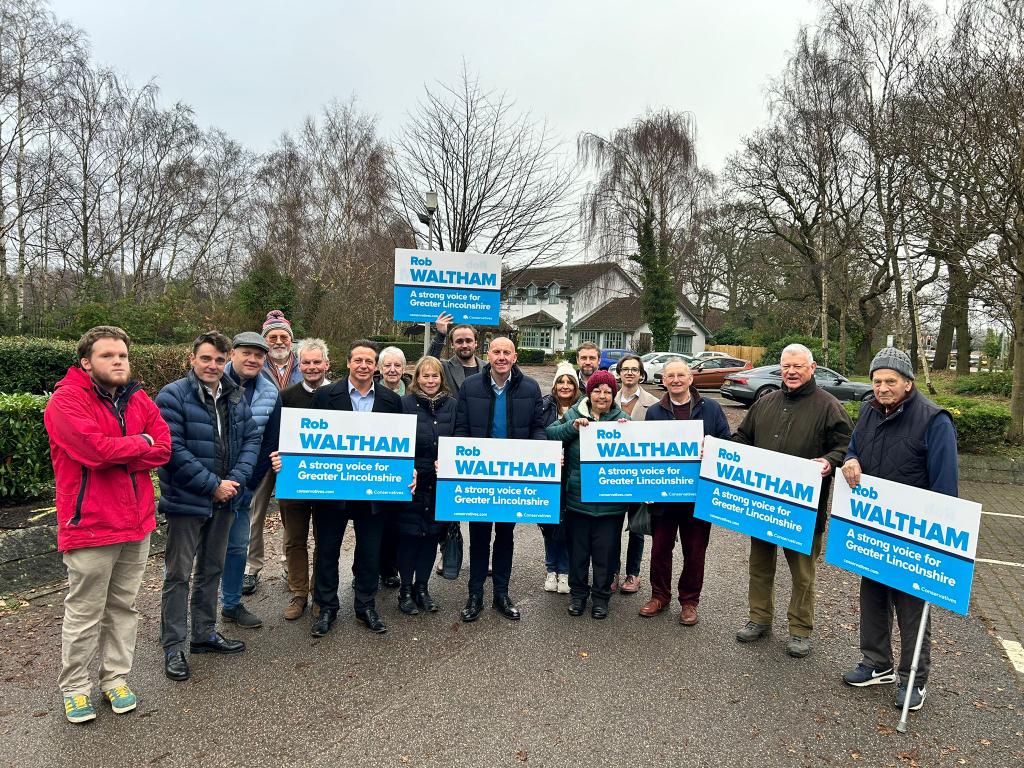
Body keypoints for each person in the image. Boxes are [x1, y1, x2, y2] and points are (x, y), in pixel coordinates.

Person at [44, 326, 171, 723]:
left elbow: (164, 447)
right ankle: (76, 689)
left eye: (123, 355)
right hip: (91, 525)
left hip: (136, 523)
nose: (118, 361)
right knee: (85, 612)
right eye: (108, 355)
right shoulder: (65, 402)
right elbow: (95, 451)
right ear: (86, 362)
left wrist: (134, 448)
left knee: (123, 607)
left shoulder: (138, 398)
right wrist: (141, 444)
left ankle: (115, 678)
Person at [839, 348, 958, 712]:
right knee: (872, 596)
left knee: (911, 608)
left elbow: (945, 486)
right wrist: (850, 460)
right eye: (877, 380)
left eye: (891, 381)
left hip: (913, 535)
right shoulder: (869, 413)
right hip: (873, 529)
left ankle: (913, 681)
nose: (883, 387)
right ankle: (878, 664)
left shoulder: (934, 420)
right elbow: (852, 450)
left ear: (908, 383)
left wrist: (936, 535)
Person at [732, 343, 852, 658]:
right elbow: (743, 438)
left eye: (798, 366)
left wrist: (829, 462)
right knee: (760, 566)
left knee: (802, 574)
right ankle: (759, 618)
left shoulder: (828, 406)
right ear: (780, 368)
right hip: (762, 504)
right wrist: (722, 450)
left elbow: (846, 446)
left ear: (812, 368)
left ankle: (800, 630)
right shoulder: (765, 402)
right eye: (786, 366)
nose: (792, 371)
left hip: (804, 508)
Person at [156, 332, 261, 683]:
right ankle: (174, 645)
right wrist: (211, 485)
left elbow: (251, 440)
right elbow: (172, 449)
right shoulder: (173, 395)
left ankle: (204, 633)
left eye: (218, 359)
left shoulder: (234, 395)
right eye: (206, 359)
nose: (213, 365)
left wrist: (234, 481)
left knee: (211, 570)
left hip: (226, 498)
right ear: (193, 359)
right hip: (187, 501)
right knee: (178, 574)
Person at [305, 339, 404, 636]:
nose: (363, 365)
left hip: (373, 491)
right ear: (348, 363)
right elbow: (311, 438)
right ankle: (326, 608)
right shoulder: (324, 395)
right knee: (327, 550)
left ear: (375, 367)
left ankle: (365, 605)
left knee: (369, 551)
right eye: (358, 360)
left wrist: (404, 472)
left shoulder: (390, 400)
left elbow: (399, 447)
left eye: (369, 361)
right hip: (332, 490)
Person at [454, 336, 547, 622]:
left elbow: (538, 429)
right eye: (497, 352)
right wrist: (457, 458)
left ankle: (501, 595)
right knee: (479, 536)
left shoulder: (530, 387)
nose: (502, 357)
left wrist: (544, 452)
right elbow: (460, 429)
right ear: (489, 355)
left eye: (507, 352)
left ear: (515, 357)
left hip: (513, 478)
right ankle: (474, 595)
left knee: (505, 537)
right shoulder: (470, 386)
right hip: (479, 476)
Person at [638, 358, 731, 625]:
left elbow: (727, 441)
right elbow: (645, 452)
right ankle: (659, 595)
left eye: (681, 375)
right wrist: (645, 485)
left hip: (698, 494)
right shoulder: (655, 412)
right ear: (663, 381)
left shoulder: (711, 408)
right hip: (664, 495)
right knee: (659, 549)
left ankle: (689, 601)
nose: (676, 380)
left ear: (690, 378)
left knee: (695, 550)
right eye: (670, 376)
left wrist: (711, 446)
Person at [545, 370, 630, 619]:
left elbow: (637, 458)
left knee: (605, 553)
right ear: (588, 392)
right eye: (596, 390)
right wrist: (572, 428)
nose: (602, 395)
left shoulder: (623, 419)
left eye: (607, 391)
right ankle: (578, 595)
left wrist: (629, 434)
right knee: (578, 552)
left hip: (610, 504)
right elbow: (549, 434)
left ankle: (601, 598)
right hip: (578, 501)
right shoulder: (575, 413)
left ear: (613, 395)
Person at [219, 332, 282, 629]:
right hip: (206, 485)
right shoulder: (210, 383)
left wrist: (249, 485)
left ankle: (230, 604)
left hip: (244, 486)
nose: (253, 359)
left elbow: (269, 443)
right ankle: (177, 614)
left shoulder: (270, 394)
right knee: (188, 552)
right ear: (233, 353)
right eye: (247, 353)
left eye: (259, 355)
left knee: (236, 547)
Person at [241, 308, 300, 596]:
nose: (278, 341)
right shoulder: (255, 366)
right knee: (255, 510)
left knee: (293, 512)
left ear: (291, 339)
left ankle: (292, 564)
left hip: (295, 451)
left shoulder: (306, 365)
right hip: (262, 449)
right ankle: (251, 567)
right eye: (273, 337)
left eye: (283, 336)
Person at [275, 338, 332, 620]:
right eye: (306, 362)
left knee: (325, 539)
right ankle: (299, 593)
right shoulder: (285, 396)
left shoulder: (338, 396)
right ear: (299, 364)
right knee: (294, 539)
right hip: (293, 480)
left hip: (330, 482)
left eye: (316, 362)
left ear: (326, 364)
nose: (311, 367)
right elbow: (275, 437)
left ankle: (319, 593)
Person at [397, 356, 456, 615]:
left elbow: (460, 440)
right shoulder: (404, 404)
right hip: (412, 483)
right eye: (425, 376)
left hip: (439, 484)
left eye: (435, 376)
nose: (430, 381)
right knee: (409, 536)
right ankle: (405, 590)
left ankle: (423, 587)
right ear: (417, 378)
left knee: (431, 536)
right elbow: (396, 441)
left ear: (441, 378)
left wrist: (451, 463)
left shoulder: (452, 406)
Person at [611, 353, 660, 595]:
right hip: (610, 475)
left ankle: (633, 573)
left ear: (641, 374)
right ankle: (612, 571)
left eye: (634, 369)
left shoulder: (654, 403)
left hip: (640, 474)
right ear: (619, 373)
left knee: (637, 527)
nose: (629, 373)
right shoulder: (607, 398)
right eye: (625, 369)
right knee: (610, 527)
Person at [538, 361, 580, 594]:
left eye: (569, 382)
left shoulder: (583, 408)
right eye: (561, 382)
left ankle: (565, 571)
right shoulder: (543, 407)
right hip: (548, 475)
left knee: (569, 527)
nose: (565, 386)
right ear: (555, 386)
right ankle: (551, 569)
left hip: (572, 477)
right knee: (549, 526)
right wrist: (548, 455)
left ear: (575, 387)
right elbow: (537, 433)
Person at [375, 345, 411, 585]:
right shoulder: (370, 392)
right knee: (372, 523)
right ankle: (366, 570)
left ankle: (390, 569)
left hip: (404, 466)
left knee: (397, 523)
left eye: (397, 365)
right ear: (379, 368)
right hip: (375, 467)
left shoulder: (413, 392)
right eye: (387, 365)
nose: (392, 369)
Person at [428, 312, 484, 395]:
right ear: (452, 344)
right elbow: (429, 362)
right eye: (459, 341)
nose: (464, 345)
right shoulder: (444, 367)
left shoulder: (488, 368)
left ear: (475, 343)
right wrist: (440, 334)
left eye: (468, 341)